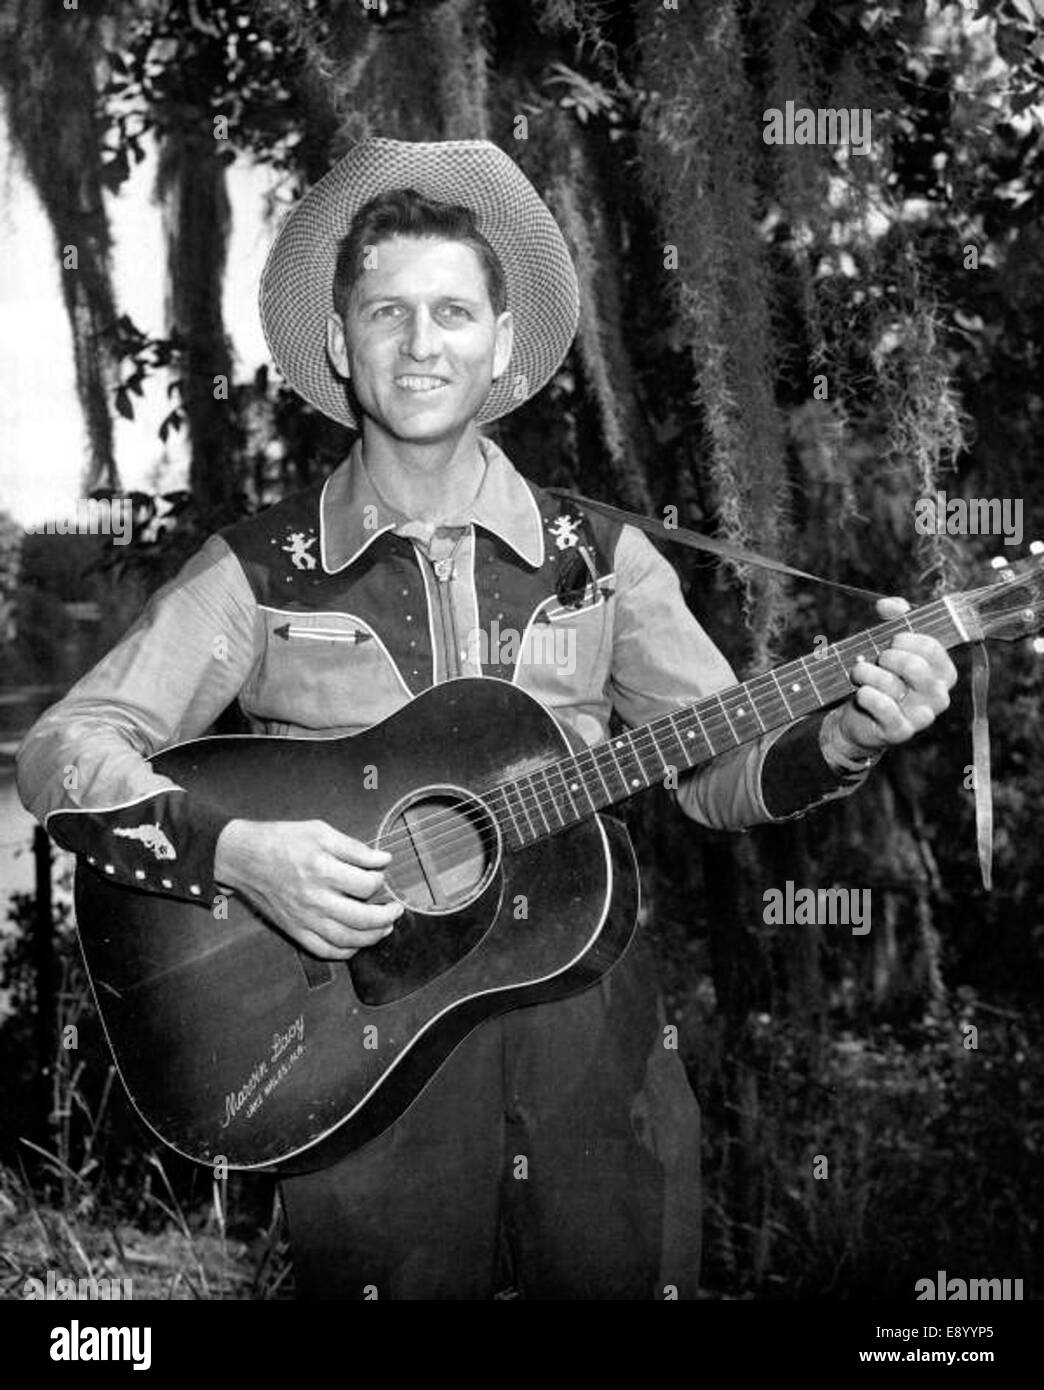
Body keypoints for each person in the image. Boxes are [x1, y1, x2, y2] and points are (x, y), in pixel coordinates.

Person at [16, 138, 957, 1300]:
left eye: (454, 311)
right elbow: (66, 751)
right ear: (338, 347)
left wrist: (849, 735)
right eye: (388, 313)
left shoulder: (604, 557)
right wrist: (243, 854)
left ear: (501, 346)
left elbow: (719, 768)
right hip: (350, 1055)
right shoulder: (260, 571)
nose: (423, 344)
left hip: (596, 1039)